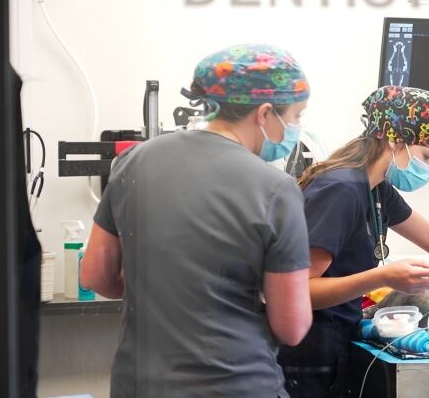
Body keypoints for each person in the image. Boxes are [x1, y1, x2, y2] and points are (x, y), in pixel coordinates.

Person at [81, 44, 313, 398]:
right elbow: (292, 327)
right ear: (265, 113)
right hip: (234, 385)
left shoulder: (132, 161)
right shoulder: (275, 188)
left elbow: (95, 275)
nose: (296, 128)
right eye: (295, 117)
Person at [278, 85, 429, 398]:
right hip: (307, 352)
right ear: (395, 139)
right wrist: (384, 277)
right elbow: (298, 291)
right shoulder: (341, 190)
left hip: (334, 338)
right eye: (426, 156)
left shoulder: (376, 189)